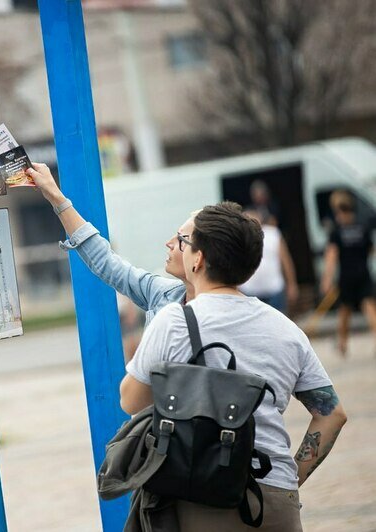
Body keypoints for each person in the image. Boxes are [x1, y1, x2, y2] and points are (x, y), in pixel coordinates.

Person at [119, 202, 347, 531]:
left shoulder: (176, 320)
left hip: (206, 496)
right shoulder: (286, 329)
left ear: (198, 259)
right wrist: (290, 476)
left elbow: (130, 400)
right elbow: (332, 414)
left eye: (185, 243)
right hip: (278, 499)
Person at [26, 162, 190, 325]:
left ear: (201, 257)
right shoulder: (164, 293)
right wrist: (55, 196)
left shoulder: (213, 319)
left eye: (181, 240)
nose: (169, 243)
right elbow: (107, 262)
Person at [320, 189, 376, 356]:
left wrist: (326, 279)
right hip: (363, 274)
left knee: (345, 311)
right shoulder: (362, 228)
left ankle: (343, 344)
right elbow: (371, 250)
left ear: (338, 211)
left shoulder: (336, 233)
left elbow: (331, 257)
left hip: (346, 277)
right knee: (370, 308)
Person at [240, 209, 299, 313]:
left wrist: (292, 284)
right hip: (249, 291)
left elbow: (286, 260)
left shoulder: (273, 234)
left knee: (278, 323)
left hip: (274, 288)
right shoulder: (240, 237)